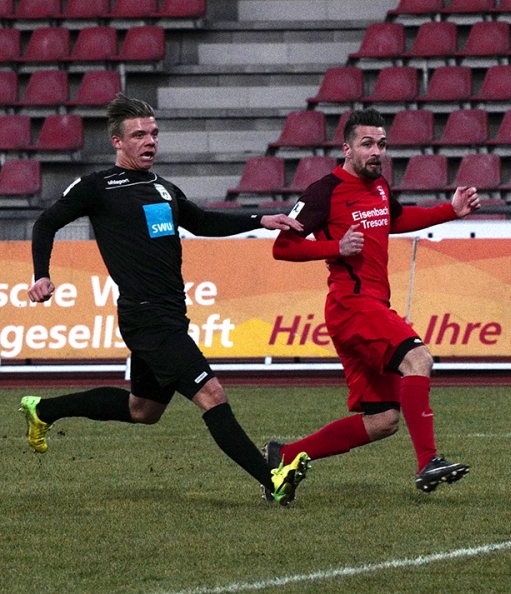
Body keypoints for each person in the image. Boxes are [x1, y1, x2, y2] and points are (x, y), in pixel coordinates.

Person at [21, 93, 310, 506]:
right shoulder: (98, 187)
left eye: (154, 133)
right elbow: (46, 223)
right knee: (212, 394)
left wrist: (260, 219)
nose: (150, 141)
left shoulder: (163, 187)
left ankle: (42, 410)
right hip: (145, 317)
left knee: (143, 410)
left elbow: (200, 220)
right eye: (139, 135)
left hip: (170, 313)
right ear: (118, 142)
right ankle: (273, 480)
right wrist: (41, 275)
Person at [266, 107, 480, 493]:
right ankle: (428, 461)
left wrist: (450, 211)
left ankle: (284, 456)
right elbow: (283, 247)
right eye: (367, 144)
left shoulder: (379, 185)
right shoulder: (324, 191)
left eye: (382, 144)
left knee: (383, 420)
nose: (377, 151)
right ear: (346, 149)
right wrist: (336, 247)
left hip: (371, 306)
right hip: (352, 306)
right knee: (419, 359)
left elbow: (395, 219)